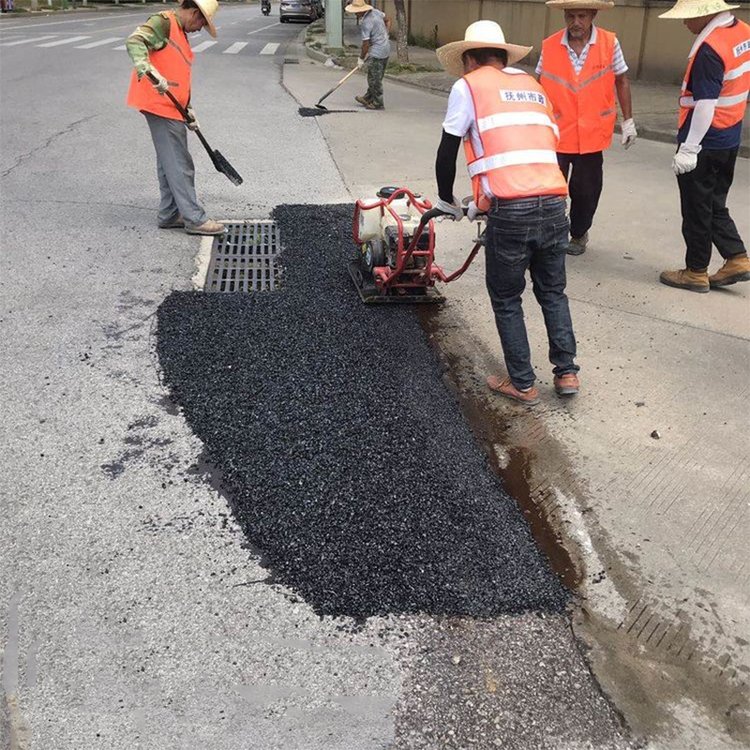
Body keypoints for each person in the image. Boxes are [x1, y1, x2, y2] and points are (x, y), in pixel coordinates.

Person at [434, 20, 580, 404]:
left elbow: (449, 147)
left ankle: (523, 383)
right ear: (502, 56)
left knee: (506, 296)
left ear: (468, 59)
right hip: (553, 202)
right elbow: (541, 143)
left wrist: (446, 200)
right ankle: (566, 374)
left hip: (511, 211)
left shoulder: (468, 86)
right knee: (553, 292)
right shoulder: (532, 86)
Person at [658, 0, 750, 292]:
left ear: (705, 13)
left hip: (705, 141)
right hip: (730, 134)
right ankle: (736, 257)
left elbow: (705, 104)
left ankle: (696, 271)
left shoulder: (710, 48)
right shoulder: (742, 32)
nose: (684, 23)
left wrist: (689, 148)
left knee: (697, 207)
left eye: (687, 17)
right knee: (713, 202)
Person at [537, 0, 637, 256]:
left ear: (593, 15)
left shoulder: (609, 43)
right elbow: (540, 84)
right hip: (557, 133)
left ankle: (579, 233)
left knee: (585, 190)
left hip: (592, 135)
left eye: (581, 16)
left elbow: (622, 80)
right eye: (570, 16)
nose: (576, 23)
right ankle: (551, 233)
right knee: (550, 189)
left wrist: (628, 121)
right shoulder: (550, 46)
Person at [126, 0, 225, 236]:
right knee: (181, 163)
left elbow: (177, 72)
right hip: (159, 104)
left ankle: (169, 214)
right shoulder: (163, 22)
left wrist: (188, 108)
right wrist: (148, 70)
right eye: (202, 22)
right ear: (194, 13)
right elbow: (134, 41)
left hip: (172, 106)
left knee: (168, 162)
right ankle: (194, 218)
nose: (200, 28)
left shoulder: (179, 31)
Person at [345, 0, 391, 111]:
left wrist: (361, 58)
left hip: (377, 52)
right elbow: (388, 20)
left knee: (374, 79)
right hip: (386, 48)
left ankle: (378, 103)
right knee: (375, 76)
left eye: (356, 12)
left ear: (361, 11)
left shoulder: (366, 22)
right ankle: (368, 97)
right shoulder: (376, 12)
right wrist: (386, 34)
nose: (355, 14)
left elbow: (365, 45)